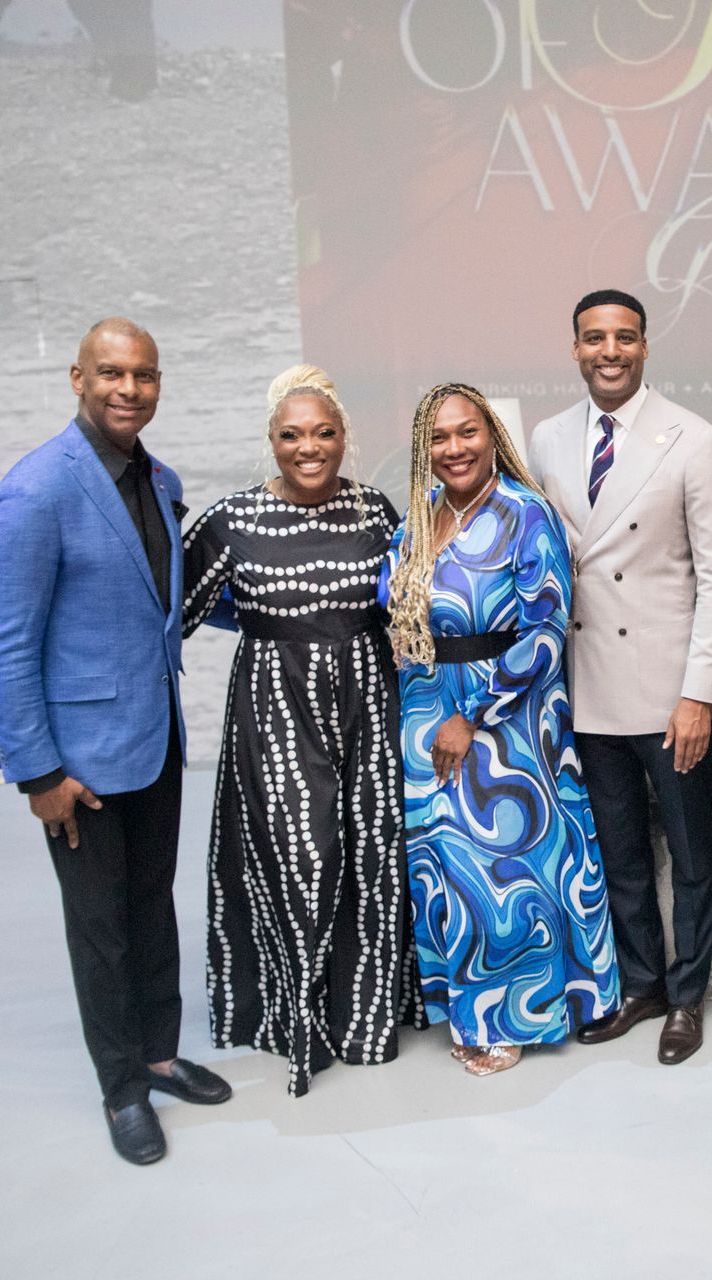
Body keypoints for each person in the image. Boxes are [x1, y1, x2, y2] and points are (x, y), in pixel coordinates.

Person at [0, 317, 230, 1166]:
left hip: (154, 739)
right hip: (76, 763)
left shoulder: (158, 480)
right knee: (100, 925)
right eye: (113, 374)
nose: (130, 390)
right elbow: (7, 643)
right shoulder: (36, 490)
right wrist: (36, 771)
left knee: (151, 905)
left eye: (146, 376)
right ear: (78, 378)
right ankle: (121, 1087)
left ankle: (158, 1053)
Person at [179, 364, 424, 1097]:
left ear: (345, 437)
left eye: (323, 433)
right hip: (275, 714)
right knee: (298, 856)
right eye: (291, 435)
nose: (308, 447)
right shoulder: (232, 521)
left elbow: (406, 611)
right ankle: (295, 1022)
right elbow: (177, 615)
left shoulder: (377, 512)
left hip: (368, 715)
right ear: (272, 442)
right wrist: (266, 627)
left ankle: (366, 1015)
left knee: (371, 853)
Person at [378, 382, 621, 1076]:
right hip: (426, 709)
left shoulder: (526, 513)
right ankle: (467, 1004)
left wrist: (472, 714)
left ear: (493, 437)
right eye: (439, 437)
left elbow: (544, 630)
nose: (454, 448)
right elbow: (393, 597)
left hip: (505, 717)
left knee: (505, 874)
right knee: (444, 871)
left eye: (468, 433)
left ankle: (514, 1016)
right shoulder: (420, 516)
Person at [527, 289, 712, 1065]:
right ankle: (643, 982)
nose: (608, 351)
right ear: (576, 348)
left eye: (623, 337)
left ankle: (687, 997)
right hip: (585, 686)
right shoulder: (548, 437)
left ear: (645, 346)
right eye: (593, 338)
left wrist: (700, 695)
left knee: (689, 855)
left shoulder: (696, 437)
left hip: (666, 691)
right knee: (617, 851)